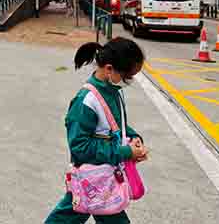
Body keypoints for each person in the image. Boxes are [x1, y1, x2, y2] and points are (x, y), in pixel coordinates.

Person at [43, 37, 149, 224]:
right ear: (109, 69)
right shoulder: (86, 101)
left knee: (71, 215)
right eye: (127, 76)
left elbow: (116, 125)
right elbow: (80, 147)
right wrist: (125, 152)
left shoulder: (114, 92)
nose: (129, 81)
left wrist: (133, 137)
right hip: (93, 178)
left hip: (104, 177)